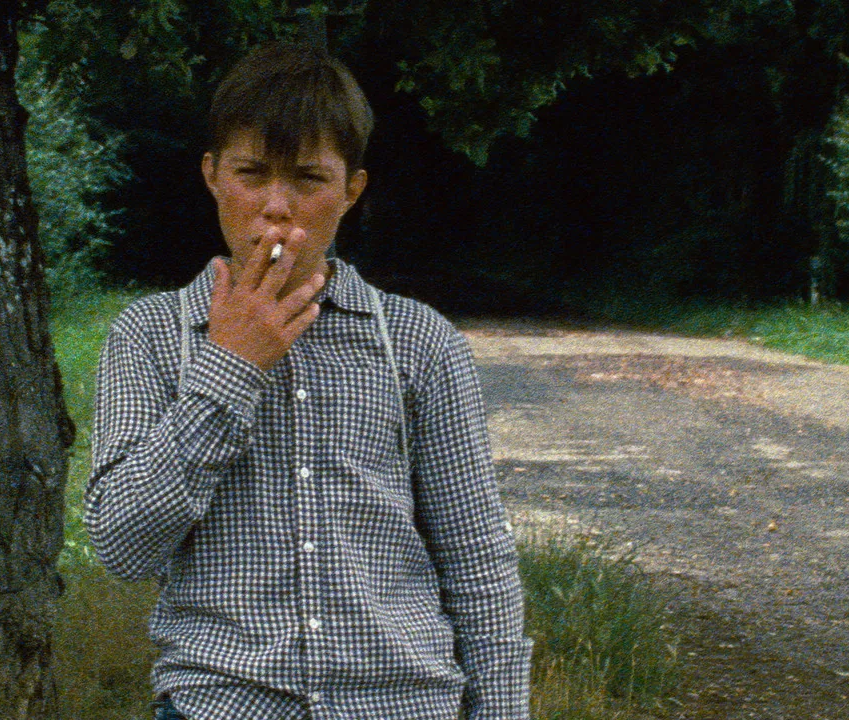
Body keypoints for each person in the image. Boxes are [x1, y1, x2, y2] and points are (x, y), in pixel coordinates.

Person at [85, 41, 531, 720]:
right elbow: (122, 546)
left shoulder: (418, 341)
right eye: (251, 172)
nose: (276, 207)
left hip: (403, 704)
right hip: (222, 704)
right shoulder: (150, 334)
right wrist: (230, 368)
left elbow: (477, 558)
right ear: (212, 175)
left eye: (308, 178)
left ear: (351, 191)